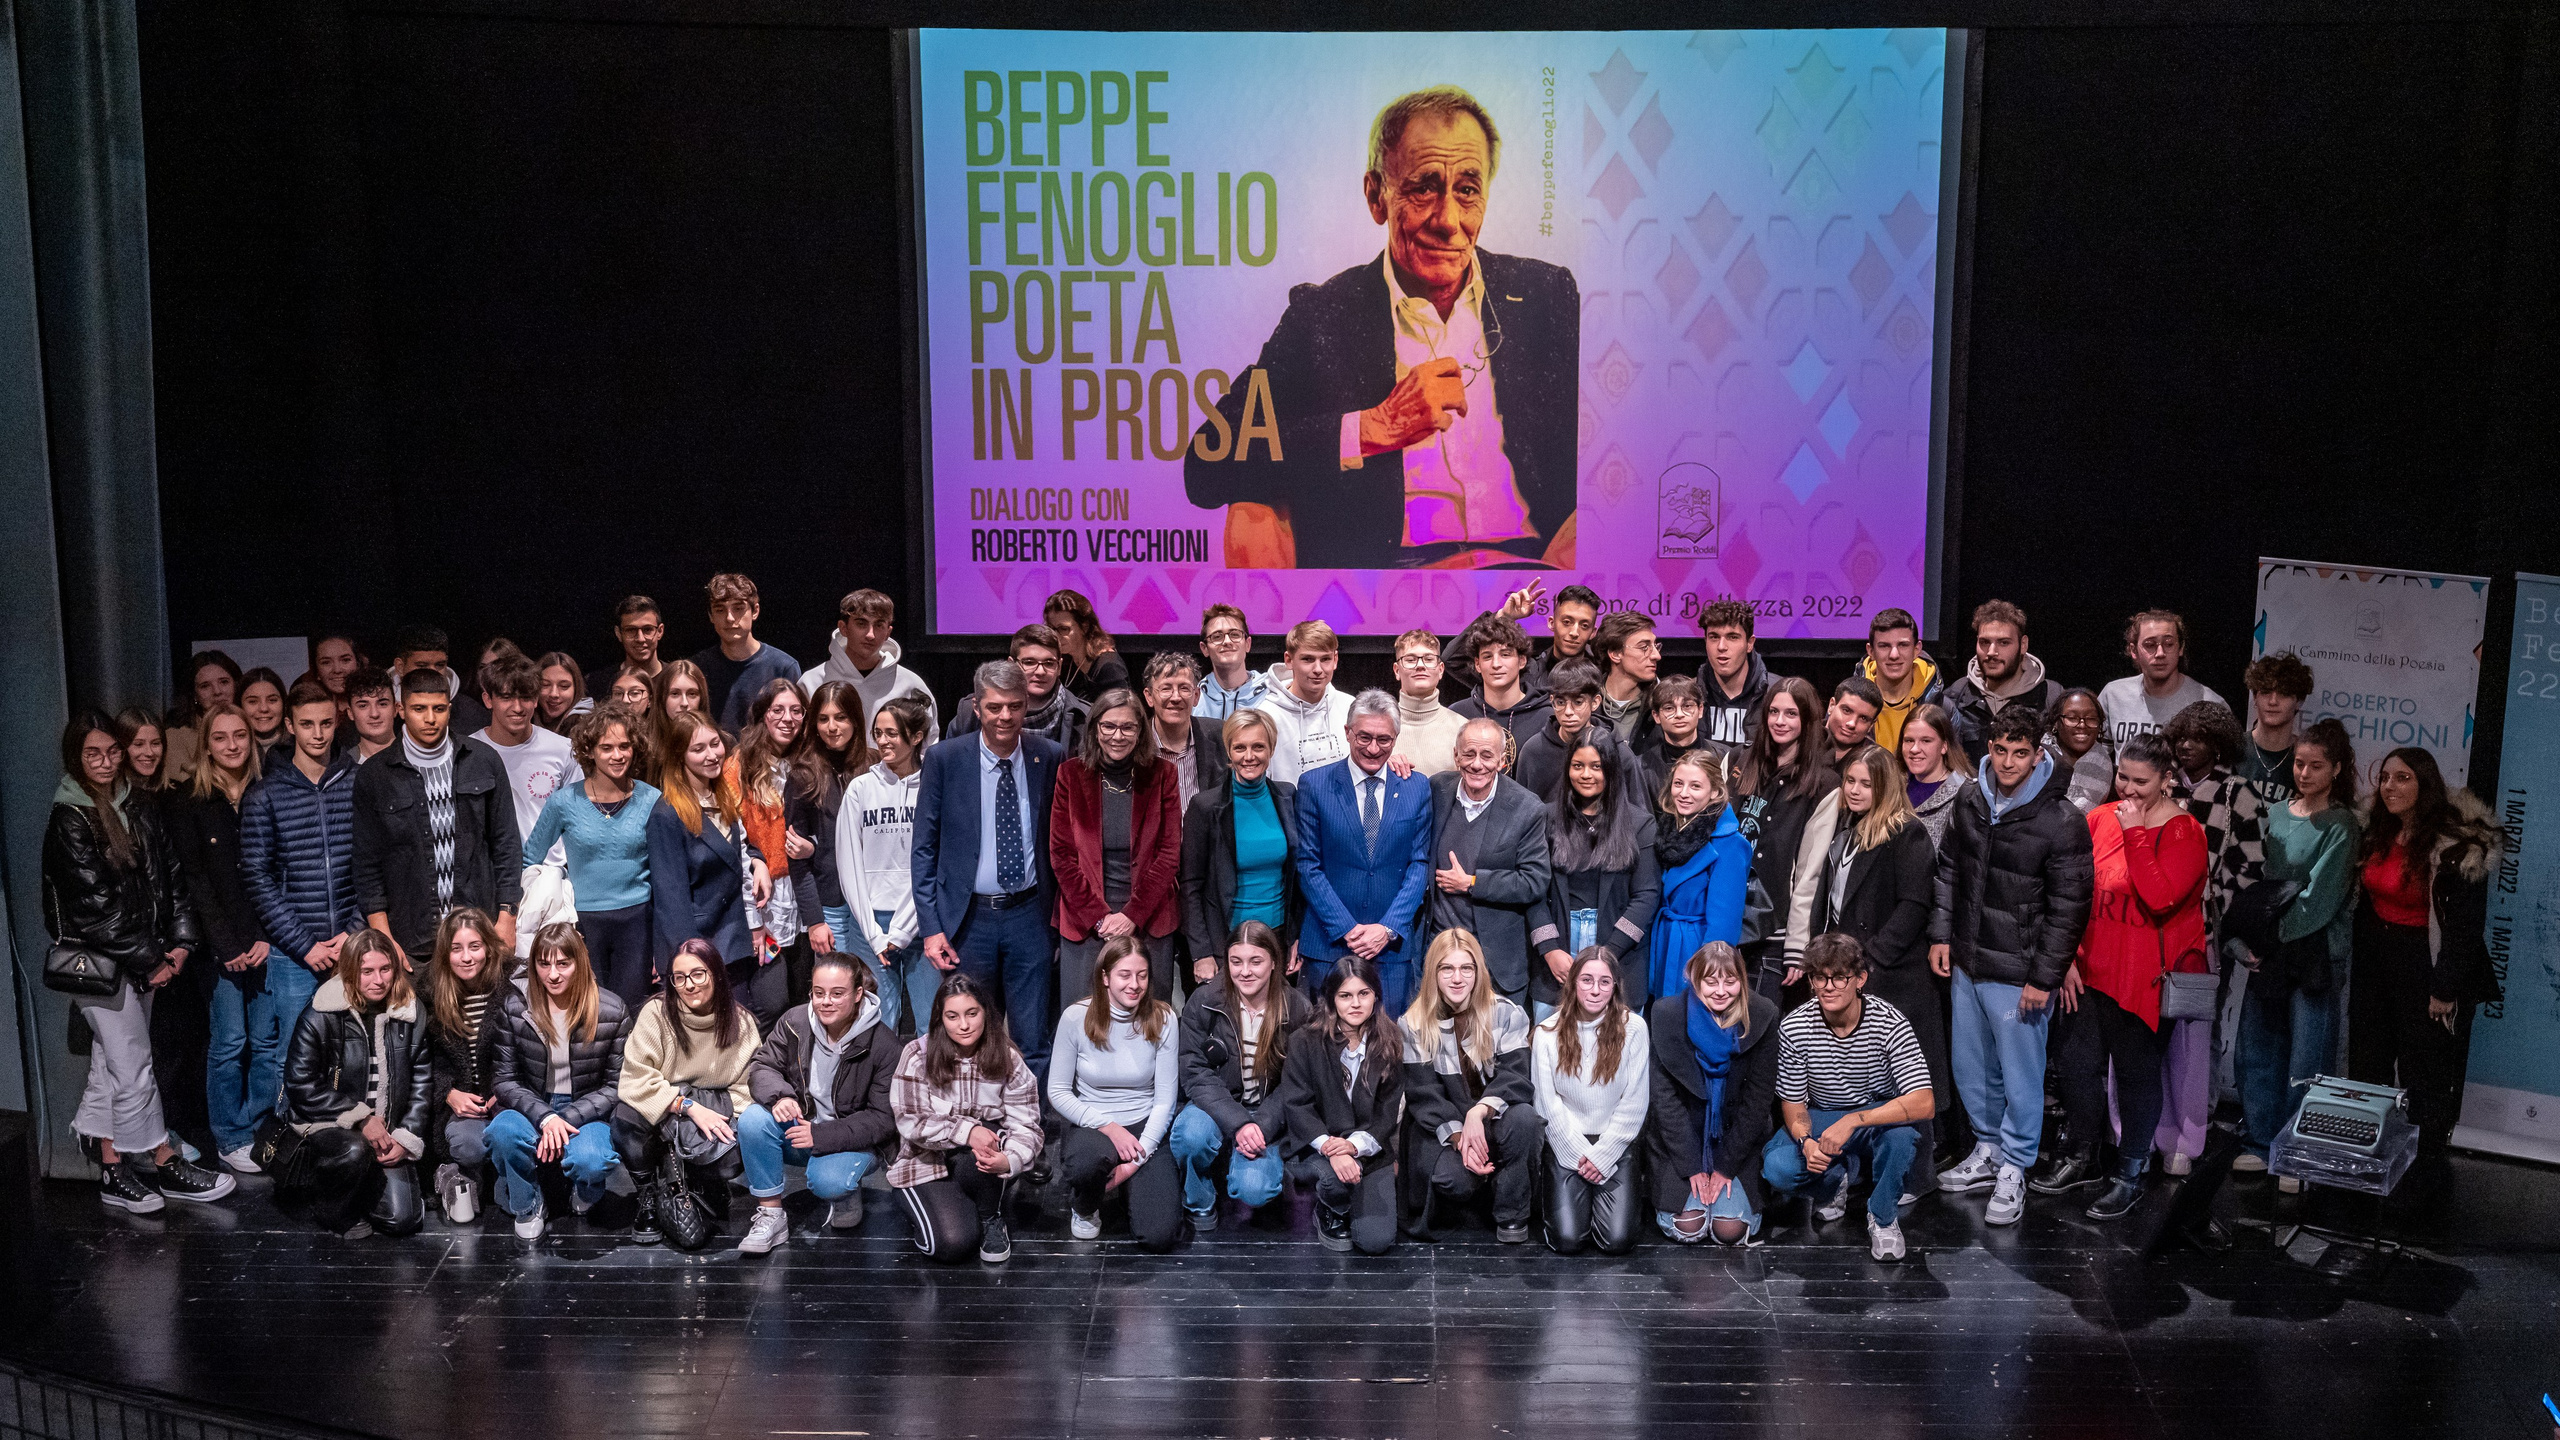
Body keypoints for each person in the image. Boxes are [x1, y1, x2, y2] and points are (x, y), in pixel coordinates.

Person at [1182, 86, 1578, 571]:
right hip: (1396, 586)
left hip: (1539, 579)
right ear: (1376, 196)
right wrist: (1373, 427)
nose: (1449, 220)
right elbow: (1206, 462)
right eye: (1424, 187)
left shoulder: (1547, 296)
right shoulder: (1321, 315)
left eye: (1468, 190)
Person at [45, 711, 232, 1212]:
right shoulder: (71, 816)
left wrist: (182, 943)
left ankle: (110, 1169)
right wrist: (152, 959)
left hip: (143, 957)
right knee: (133, 1067)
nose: (105, 762)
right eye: (93, 754)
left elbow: (170, 877)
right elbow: (94, 910)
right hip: (105, 965)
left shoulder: (137, 804)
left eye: (111, 751)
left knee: (112, 1068)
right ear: (75, 758)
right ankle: (163, 1161)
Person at [1929, 704, 2093, 1226]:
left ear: (2038, 754)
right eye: (2000, 750)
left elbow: (2070, 908)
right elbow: (1950, 869)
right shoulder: (1970, 797)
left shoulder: (2061, 818)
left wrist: (2043, 977)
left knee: (2021, 1075)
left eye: (2020, 753)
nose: (2007, 761)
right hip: (1968, 960)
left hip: (2020, 970)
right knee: (1971, 1068)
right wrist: (1941, 936)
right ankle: (1987, 1150)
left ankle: (2016, 1166)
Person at [2045, 733, 2207, 1220]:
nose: (2130, 791)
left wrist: (2136, 831)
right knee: (2075, 1068)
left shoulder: (2184, 832)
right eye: (2123, 778)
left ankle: (2130, 1174)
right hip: (2089, 970)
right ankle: (2084, 1156)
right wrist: (2068, 958)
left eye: (2142, 782)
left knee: (2137, 1077)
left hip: (2145, 979)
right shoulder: (2097, 819)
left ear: (2166, 780)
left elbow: (2159, 897)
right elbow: (2071, 893)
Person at [1792, 744, 1945, 1194]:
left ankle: (1914, 1179)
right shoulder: (1847, 830)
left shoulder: (1906, 833)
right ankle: (1862, 1175)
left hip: (1892, 977)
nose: (1855, 790)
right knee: (1859, 1082)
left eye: (1866, 783)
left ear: (1886, 787)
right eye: (1850, 781)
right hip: (1851, 971)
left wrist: (1868, 964)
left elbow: (1914, 906)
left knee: (1904, 1081)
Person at [2349, 747, 2500, 1173]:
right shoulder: (2373, 832)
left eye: (2402, 778)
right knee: (2368, 1062)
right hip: (2375, 960)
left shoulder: (2458, 846)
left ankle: (2424, 1167)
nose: (2390, 787)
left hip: (2425, 963)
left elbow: (2466, 928)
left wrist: (2444, 988)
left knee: (2424, 1071)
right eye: (2385, 778)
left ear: (2425, 784)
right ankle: (2368, 1158)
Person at [913, 659, 1065, 1077]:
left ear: (1027, 706)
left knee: (1033, 1038)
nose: (1005, 716)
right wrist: (930, 927)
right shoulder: (944, 759)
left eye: (1014, 706)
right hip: (967, 921)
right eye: (994, 706)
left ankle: (1032, 1134)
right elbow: (924, 849)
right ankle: (977, 1129)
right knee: (972, 1034)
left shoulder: (1049, 757)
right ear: (977, 707)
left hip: (1030, 916)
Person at [2232, 720, 2361, 1187]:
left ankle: (2297, 1151)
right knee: (2258, 1046)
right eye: (2300, 764)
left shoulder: (2342, 823)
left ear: (2337, 769)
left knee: (2309, 1055)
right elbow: (2252, 879)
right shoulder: (2278, 812)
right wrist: (2248, 936)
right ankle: (2260, 1141)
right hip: (2270, 945)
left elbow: (2320, 898)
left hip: (2313, 950)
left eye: (2316, 766)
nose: (2304, 773)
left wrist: (2270, 934)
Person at [1762, 934, 1936, 1262]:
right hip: (1822, 1116)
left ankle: (1883, 1218)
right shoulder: (1795, 1027)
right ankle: (1834, 1183)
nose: (1828, 986)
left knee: (1902, 1135)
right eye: (1819, 977)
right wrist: (1805, 1142)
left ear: (1859, 980)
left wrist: (1853, 1120)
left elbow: (1924, 1102)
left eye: (1839, 977)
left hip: (1874, 1117)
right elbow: (1793, 1103)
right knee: (1778, 1166)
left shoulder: (1889, 1022)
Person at [352, 666, 522, 963]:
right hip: (412, 938)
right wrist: (383, 937)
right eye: (419, 709)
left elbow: (506, 844)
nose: (430, 719)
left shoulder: (483, 760)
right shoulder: (375, 775)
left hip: (478, 930)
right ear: (401, 710)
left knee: (483, 1010)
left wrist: (507, 919)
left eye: (438, 709)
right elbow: (367, 862)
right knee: (419, 1011)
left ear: (450, 710)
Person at [737, 953, 898, 1253]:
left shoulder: (884, 1045)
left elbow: (882, 1119)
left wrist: (821, 1135)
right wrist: (781, 1095)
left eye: (837, 994)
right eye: (819, 993)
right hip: (802, 1128)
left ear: (858, 994)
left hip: (852, 1140)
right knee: (752, 1120)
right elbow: (762, 1066)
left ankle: (845, 1193)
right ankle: (771, 1215)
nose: (826, 1002)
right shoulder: (795, 1022)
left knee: (828, 1182)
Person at [167, 704, 270, 1172]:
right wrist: (227, 945)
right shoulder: (191, 801)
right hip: (218, 947)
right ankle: (229, 1137)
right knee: (229, 1041)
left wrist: (264, 936)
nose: (232, 745)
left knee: (268, 1042)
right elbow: (196, 881)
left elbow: (275, 871)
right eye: (221, 737)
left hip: (267, 939)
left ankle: (262, 1129)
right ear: (206, 744)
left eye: (240, 736)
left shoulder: (266, 791)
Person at [241, 683, 362, 1078]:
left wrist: (354, 932)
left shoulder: (360, 783)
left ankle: (344, 1139)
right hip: (294, 953)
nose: (319, 733)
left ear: (338, 721)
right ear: (290, 725)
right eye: (307, 724)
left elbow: (376, 865)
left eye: (326, 723)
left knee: (350, 1056)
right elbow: (257, 879)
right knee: (292, 1058)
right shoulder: (264, 796)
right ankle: (290, 1140)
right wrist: (303, 945)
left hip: (351, 945)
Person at [2163, 699, 2265, 1161]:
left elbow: (2249, 867)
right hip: (2151, 929)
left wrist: (2206, 906)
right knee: (2150, 1030)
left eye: (2199, 738)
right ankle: (2153, 1124)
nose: (2187, 745)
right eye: (2182, 735)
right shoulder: (2161, 785)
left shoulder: (2237, 793)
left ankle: (2192, 1129)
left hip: (2206, 933)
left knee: (2198, 1029)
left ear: (2219, 744)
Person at [613, 938, 762, 1249]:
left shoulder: (741, 1022)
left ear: (717, 974)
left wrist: (711, 1118)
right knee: (626, 1116)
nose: (689, 985)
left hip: (716, 1106)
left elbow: (748, 1088)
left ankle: (702, 1183)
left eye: (698, 974)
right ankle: (649, 1194)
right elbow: (635, 1077)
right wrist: (686, 1107)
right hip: (670, 1104)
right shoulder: (657, 1013)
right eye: (679, 978)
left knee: (729, 1153)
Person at [486, 923, 632, 1240]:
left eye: (563, 963)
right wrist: (546, 1116)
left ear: (579, 963)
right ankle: (528, 1204)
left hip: (585, 1109)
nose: (553, 974)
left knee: (591, 1160)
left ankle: (587, 1189)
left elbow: (616, 1085)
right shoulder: (515, 1008)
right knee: (501, 1131)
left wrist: (563, 1118)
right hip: (532, 1105)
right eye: (544, 963)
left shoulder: (612, 1009)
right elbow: (504, 1080)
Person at [276, 930, 426, 1236]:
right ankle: (330, 1207)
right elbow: (300, 1083)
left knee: (402, 1220)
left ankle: (361, 1188)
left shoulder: (410, 1012)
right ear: (349, 972)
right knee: (353, 1151)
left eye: (385, 969)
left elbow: (422, 1083)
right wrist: (361, 1118)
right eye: (366, 971)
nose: (378, 980)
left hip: (388, 1132)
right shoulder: (322, 1013)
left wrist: (404, 1135)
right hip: (333, 1127)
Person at [1294, 691, 1436, 1008]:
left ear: (1396, 738)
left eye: (1384, 739)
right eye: (1365, 737)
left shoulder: (1417, 787)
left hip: (1391, 951)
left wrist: (1387, 929)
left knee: (1388, 1047)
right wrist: (1347, 928)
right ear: (1348, 733)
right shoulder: (1314, 785)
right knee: (1326, 1046)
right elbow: (1307, 865)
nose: (1373, 748)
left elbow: (1419, 864)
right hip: (1328, 946)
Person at [889, 972, 1043, 1264]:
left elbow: (1027, 1125)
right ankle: (936, 1208)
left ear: (985, 1012)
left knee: (989, 1139)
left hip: (979, 1163)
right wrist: (967, 1130)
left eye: (972, 1013)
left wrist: (1010, 1160)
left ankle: (990, 1215)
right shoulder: (917, 1055)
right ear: (940, 1018)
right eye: (953, 1016)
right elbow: (910, 1120)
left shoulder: (1006, 1057)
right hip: (925, 1162)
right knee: (951, 1244)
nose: (964, 1025)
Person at [1398, 930, 1539, 1242]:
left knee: (1525, 1119)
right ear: (1433, 972)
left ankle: (1511, 1216)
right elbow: (1425, 1095)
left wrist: (1479, 1112)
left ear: (1478, 971)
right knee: (1454, 1180)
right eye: (1447, 968)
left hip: (1494, 1118)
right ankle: (1481, 1190)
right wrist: (1461, 1138)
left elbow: (1516, 1076)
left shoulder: (1505, 1012)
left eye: (1466, 968)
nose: (1457, 978)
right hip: (1448, 1127)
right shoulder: (1413, 1023)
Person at [1173, 922, 1312, 1229]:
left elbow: (1299, 1083)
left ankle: (1237, 1162)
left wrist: (1259, 1124)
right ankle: (1199, 1200)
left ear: (1274, 963)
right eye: (1236, 962)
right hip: (1216, 1105)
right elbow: (1194, 1071)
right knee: (1190, 1135)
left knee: (1255, 1189)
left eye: (1256, 961)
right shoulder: (1205, 1001)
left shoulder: (1297, 1009)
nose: (1245, 971)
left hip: (1268, 1114)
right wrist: (1238, 1123)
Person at [1050, 937, 1185, 1250]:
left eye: (1142, 975)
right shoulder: (1075, 1017)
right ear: (1105, 977)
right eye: (1125, 975)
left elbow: (1166, 1100)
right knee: (1086, 1164)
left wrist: (1133, 1163)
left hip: (1143, 1125)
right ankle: (1085, 1206)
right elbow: (1057, 1092)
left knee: (1159, 1236)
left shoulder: (1164, 1019)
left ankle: (1128, 1188)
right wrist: (1109, 1127)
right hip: (1095, 1124)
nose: (1134, 984)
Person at [1052, 688, 1183, 1002]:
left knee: (1150, 1023)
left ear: (1141, 731)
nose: (1117, 735)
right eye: (1108, 726)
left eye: (1128, 727)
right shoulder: (1070, 774)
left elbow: (1169, 854)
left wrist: (1131, 916)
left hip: (1148, 918)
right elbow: (1061, 855)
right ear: (1095, 728)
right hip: (1085, 921)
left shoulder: (1163, 774)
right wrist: (1099, 918)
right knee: (1084, 1021)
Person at [526, 704, 660, 1007]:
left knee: (631, 1012)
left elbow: (665, 871)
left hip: (637, 922)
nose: (617, 755)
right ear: (590, 751)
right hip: (582, 925)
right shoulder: (564, 801)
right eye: (607, 747)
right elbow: (530, 860)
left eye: (625, 746)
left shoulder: (652, 799)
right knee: (588, 1012)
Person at [1646, 941, 1779, 1245]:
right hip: (1681, 1142)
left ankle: (1730, 1195)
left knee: (1727, 1230)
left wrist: (1725, 1167)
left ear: (1741, 981)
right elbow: (1665, 1101)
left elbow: (1758, 1100)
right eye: (1711, 981)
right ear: (1695, 979)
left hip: (1737, 1142)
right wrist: (1692, 1166)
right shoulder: (1667, 1014)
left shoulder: (1762, 1014)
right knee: (1688, 1227)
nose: (1720, 990)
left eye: (1730, 981)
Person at [649, 710, 773, 1024]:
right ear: (680, 756)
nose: (712, 754)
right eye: (698, 749)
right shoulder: (667, 814)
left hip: (734, 942)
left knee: (743, 1038)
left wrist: (758, 861)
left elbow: (738, 847)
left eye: (714, 744)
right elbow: (671, 900)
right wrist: (694, 965)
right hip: (702, 949)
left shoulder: (722, 796)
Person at [1280, 954, 1406, 1253]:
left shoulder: (1390, 1040)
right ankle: (1331, 1207)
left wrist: (1354, 1147)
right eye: (1345, 995)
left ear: (1376, 995)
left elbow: (1388, 1112)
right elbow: (1297, 1104)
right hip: (1318, 1146)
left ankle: (1354, 1200)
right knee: (1334, 1180)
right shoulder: (1305, 1041)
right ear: (1331, 999)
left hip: (1368, 1147)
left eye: (1364, 994)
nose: (1356, 1004)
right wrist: (1331, 1148)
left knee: (1376, 1241)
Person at [1531, 948, 1651, 1255]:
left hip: (1616, 1143)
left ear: (1615, 987)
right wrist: (1580, 1154)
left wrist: (1604, 1154)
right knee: (1568, 1240)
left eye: (1604, 982)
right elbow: (1546, 1104)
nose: (1595, 989)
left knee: (1617, 1241)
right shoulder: (1547, 1033)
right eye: (1586, 980)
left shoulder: (1634, 1028)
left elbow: (1635, 1101)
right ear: (1572, 983)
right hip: (1566, 1140)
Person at [1529, 731, 1660, 1012]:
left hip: (1619, 949)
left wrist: (1607, 955)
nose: (1586, 774)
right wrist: (1550, 949)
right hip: (1557, 950)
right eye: (1578, 766)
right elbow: (1533, 889)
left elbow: (1646, 896)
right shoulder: (1546, 818)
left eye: (1596, 766)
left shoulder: (1640, 824)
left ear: (1611, 770)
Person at [1427, 718, 1552, 1006]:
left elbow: (1534, 881)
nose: (1476, 764)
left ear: (1502, 760)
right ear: (1456, 755)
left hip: (1497, 963)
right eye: (1469, 754)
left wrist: (1471, 883)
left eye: (1486, 755)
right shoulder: (1437, 789)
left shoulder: (1527, 807)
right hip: (1440, 957)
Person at [1728, 676, 1838, 990]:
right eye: (1774, 712)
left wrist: (1797, 943)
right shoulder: (1738, 761)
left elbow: (1809, 871)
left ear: (1807, 720)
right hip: (1725, 917)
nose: (1780, 721)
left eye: (1791, 714)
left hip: (1774, 934)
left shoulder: (1824, 785)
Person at [1180, 709, 1303, 983]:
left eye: (1258, 747)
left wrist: (1295, 937)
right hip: (1225, 944)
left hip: (1278, 941)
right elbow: (1191, 885)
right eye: (1240, 748)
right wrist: (1201, 953)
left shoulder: (1288, 796)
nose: (1249, 756)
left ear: (1271, 749)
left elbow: (1297, 878)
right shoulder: (1205, 806)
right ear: (1228, 752)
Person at [839, 694, 933, 1035]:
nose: (882, 740)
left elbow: (932, 864)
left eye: (892, 733)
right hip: (869, 925)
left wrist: (904, 928)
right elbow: (849, 864)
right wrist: (873, 933)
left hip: (922, 921)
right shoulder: (860, 788)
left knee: (930, 1024)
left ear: (917, 736)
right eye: (878, 732)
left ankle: (926, 1089)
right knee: (875, 1025)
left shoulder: (933, 787)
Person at [418, 908, 513, 1226]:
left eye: (474, 946)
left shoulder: (510, 985)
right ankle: (454, 1174)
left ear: (489, 946)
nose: (466, 957)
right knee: (469, 1145)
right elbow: (420, 1060)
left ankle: (485, 1181)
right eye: (456, 948)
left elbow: (526, 1054)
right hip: (460, 1103)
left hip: (505, 1097)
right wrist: (447, 1093)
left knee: (509, 1138)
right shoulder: (429, 993)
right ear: (445, 953)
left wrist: (504, 1093)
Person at [725, 679, 810, 1020]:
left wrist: (812, 848)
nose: (788, 718)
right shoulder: (738, 767)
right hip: (762, 896)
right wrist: (757, 861)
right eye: (778, 710)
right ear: (762, 716)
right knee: (771, 1002)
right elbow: (731, 833)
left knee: (806, 999)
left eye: (796, 711)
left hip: (806, 893)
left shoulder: (810, 763)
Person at [1646, 749, 1752, 1005]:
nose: (1683, 793)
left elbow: (1723, 925)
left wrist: (1710, 974)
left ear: (1715, 792)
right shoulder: (1666, 830)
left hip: (1695, 948)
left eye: (1695, 786)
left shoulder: (1729, 843)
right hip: (1663, 941)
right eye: (1678, 784)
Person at [785, 681, 870, 999]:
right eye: (823, 718)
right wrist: (815, 921)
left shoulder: (874, 767)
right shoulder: (803, 776)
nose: (832, 727)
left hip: (870, 906)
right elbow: (797, 859)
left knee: (874, 992)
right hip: (830, 908)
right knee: (837, 995)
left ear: (856, 720)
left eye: (841, 717)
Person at [474, 651, 583, 862]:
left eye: (525, 698)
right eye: (506, 697)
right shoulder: (468, 751)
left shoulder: (563, 749)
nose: (517, 707)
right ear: (488, 699)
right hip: (490, 873)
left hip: (549, 873)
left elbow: (577, 819)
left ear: (535, 700)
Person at [1941, 600, 2062, 764]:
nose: (1991, 652)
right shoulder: (1956, 696)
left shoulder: (2051, 697)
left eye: (2004, 642)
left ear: (2023, 644)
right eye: (1984, 642)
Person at [812, 587, 941, 740]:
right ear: (843, 628)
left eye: (879, 625)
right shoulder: (813, 682)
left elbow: (928, 744)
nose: (870, 635)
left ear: (888, 632)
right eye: (861, 624)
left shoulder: (911, 685)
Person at [2098, 609, 2226, 756]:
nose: (2160, 653)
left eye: (2169, 644)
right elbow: (2095, 758)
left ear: (2181, 648)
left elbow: (2224, 767)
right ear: (2134, 650)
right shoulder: (2113, 695)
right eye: (2150, 645)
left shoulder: (2208, 703)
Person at [946, 623, 1089, 751]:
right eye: (1029, 662)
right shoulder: (971, 712)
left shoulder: (1084, 716)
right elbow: (951, 765)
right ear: (1012, 664)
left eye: (1049, 663)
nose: (1040, 671)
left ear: (1059, 667)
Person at [1440, 580, 1599, 694]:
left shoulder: (1603, 674)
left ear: (1593, 632)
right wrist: (1503, 617)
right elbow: (1453, 659)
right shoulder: (1523, 671)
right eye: (1567, 622)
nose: (1574, 632)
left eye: (1584, 625)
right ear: (1551, 623)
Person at [694, 573, 802, 734]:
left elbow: (795, 728)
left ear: (755, 611)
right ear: (711, 615)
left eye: (738, 608)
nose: (730, 618)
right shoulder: (697, 668)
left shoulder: (783, 667)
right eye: (720, 610)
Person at [1251, 620, 1354, 785]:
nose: (1318, 669)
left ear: (1335, 660)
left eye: (1325, 659)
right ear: (1289, 660)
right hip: (1290, 810)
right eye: (1308, 659)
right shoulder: (1265, 717)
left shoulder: (1350, 707)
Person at [1448, 613, 1552, 763]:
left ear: (1522, 661)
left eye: (1505, 654)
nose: (1496, 664)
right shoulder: (1457, 715)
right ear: (1477, 664)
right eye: (1487, 657)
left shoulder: (1547, 718)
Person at [1142, 652, 1223, 814]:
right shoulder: (1134, 744)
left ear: (1196, 696)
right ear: (1149, 696)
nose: (1176, 697)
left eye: (1184, 688)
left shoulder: (1221, 736)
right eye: (1166, 688)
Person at [1513, 658, 1600, 802]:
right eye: (1560, 702)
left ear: (1595, 702)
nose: (1568, 711)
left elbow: (1638, 815)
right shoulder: (1533, 752)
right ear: (1552, 700)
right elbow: (1522, 811)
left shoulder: (1615, 751)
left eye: (1578, 702)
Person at [1858, 609, 1943, 755]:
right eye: (1884, 646)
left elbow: (1953, 768)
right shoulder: (1851, 705)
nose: (1894, 655)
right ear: (1870, 651)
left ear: (1917, 649)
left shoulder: (1942, 707)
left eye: (1903, 645)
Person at [1697, 600, 1774, 754]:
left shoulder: (1777, 693)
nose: (1721, 647)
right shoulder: (1690, 694)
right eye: (1714, 637)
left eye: (1732, 637)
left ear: (1749, 643)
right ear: (1705, 641)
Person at [1388, 628, 1467, 776]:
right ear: (1397, 670)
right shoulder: (1378, 729)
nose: (1420, 665)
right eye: (1410, 660)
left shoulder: (1463, 729)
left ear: (1441, 669)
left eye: (1429, 659)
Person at [2241, 651, 2314, 806]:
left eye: (2283, 694)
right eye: (2266, 692)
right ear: (2255, 697)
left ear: (2299, 701)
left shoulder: (2307, 760)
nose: (2273, 701)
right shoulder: (2232, 750)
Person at [388, 625, 489, 734]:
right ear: (400, 667)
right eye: (422, 666)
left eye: (439, 665)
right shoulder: (379, 711)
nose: (433, 672)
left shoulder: (471, 713)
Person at [163, 649, 242, 783]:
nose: (217, 691)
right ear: (194, 695)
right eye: (205, 686)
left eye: (224, 682)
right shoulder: (176, 737)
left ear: (235, 684)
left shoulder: (249, 726)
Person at [1900, 703, 1971, 850]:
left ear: (1944, 746)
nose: (1914, 749)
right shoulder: (1894, 786)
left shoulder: (1963, 795)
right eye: (1909, 740)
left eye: (1926, 741)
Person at [1044, 588, 1132, 704]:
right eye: (1051, 628)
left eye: (1064, 629)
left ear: (1084, 627)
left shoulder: (1109, 667)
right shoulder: (1068, 660)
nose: (1056, 635)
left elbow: (1121, 714)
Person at [1193, 603, 1273, 722]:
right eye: (1217, 636)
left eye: (1235, 635)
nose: (1227, 641)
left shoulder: (1271, 693)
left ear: (1247, 644)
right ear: (1204, 648)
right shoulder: (1193, 698)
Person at [1591, 612, 1659, 746]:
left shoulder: (1661, 703)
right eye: (1644, 647)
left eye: (1655, 646)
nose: (1657, 655)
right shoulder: (1586, 703)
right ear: (1615, 654)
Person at [1638, 674, 1707, 798]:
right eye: (1669, 708)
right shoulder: (1641, 767)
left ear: (1700, 709)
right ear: (1656, 716)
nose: (1679, 714)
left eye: (1687, 706)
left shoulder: (1723, 758)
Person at [584, 595, 666, 701]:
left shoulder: (678, 680)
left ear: (660, 631)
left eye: (647, 630)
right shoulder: (596, 683)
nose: (640, 639)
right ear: (618, 633)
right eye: (631, 630)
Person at [2047, 687, 2113, 812]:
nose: (2082, 725)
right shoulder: (2038, 749)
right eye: (2072, 718)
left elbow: (2075, 813)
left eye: (2091, 719)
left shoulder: (2100, 764)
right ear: (2056, 722)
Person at [342, 665, 400, 764]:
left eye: (382, 704)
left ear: (396, 709)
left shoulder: (419, 758)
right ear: (350, 713)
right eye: (363, 706)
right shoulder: (343, 768)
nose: (374, 714)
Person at [1824, 676, 1882, 757]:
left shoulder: (1878, 761)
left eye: (1863, 718)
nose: (1852, 724)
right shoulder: (1803, 739)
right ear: (1832, 705)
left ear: (1871, 725)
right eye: (1847, 711)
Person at [238, 667, 290, 758]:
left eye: (272, 700)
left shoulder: (299, 747)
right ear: (240, 705)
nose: (263, 708)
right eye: (253, 701)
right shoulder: (232, 749)